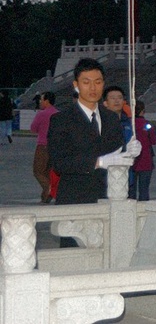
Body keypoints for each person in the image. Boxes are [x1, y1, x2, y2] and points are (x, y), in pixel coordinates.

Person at [48, 58, 140, 245]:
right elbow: (60, 163)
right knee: (73, 257)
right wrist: (98, 162)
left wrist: (129, 151)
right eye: (86, 82)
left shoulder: (111, 118)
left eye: (98, 82)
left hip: (107, 197)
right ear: (76, 85)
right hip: (75, 199)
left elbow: (115, 154)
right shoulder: (61, 120)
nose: (93, 88)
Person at [30, 91, 58, 203]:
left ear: (46, 101)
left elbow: (33, 128)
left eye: (41, 99)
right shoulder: (58, 113)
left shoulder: (42, 114)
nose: (40, 102)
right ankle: (46, 197)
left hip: (43, 146)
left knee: (37, 171)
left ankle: (49, 189)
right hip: (54, 146)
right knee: (47, 171)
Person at [129, 100, 156, 201]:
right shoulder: (147, 124)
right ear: (143, 111)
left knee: (130, 190)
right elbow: (154, 141)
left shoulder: (128, 123)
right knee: (144, 190)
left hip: (130, 160)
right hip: (146, 160)